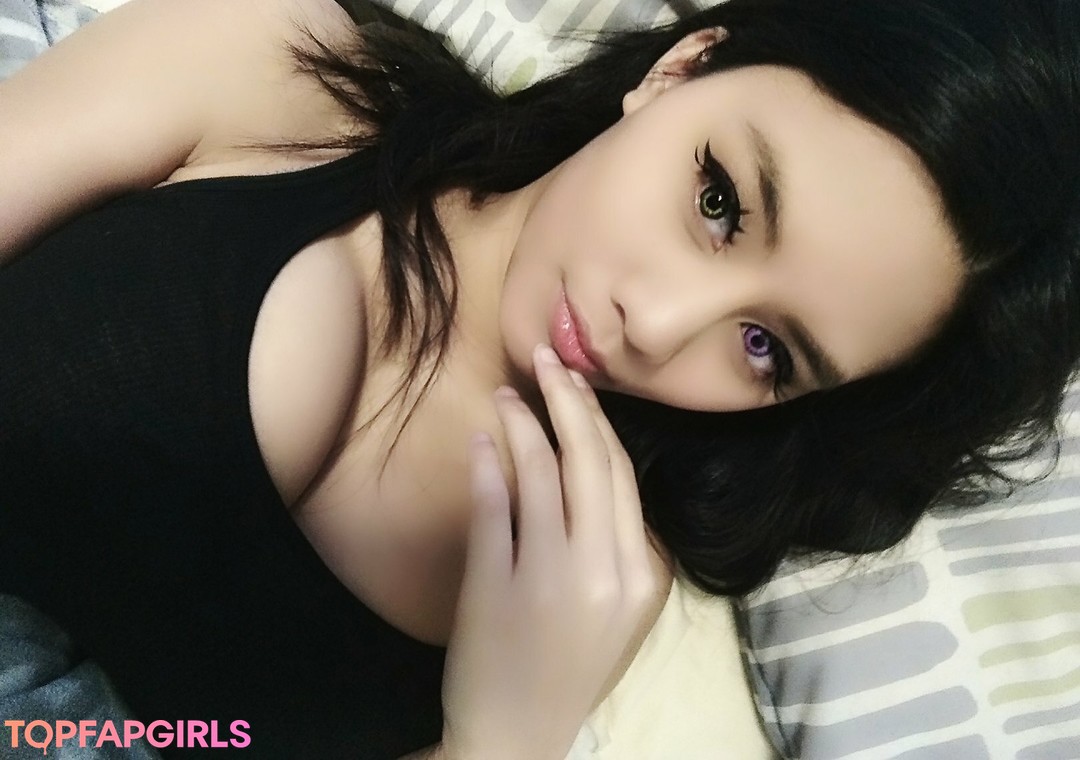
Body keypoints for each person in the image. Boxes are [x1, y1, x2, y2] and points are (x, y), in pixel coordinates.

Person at [1, 0, 1077, 757]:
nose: (657, 325)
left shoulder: (587, 581)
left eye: (768, 350)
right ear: (682, 68)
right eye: (718, 201)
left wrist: (501, 744)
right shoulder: (275, 64)